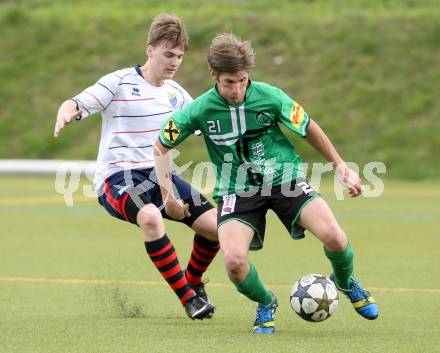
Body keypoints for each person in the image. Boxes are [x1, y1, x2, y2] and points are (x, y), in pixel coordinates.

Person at [154, 33, 379, 333]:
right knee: (234, 263)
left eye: (242, 80)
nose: (236, 90)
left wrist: (340, 166)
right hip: (237, 191)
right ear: (214, 76)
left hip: (284, 180)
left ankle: (347, 282)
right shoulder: (199, 110)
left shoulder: (271, 96)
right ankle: (265, 302)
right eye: (229, 82)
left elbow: (308, 126)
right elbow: (160, 146)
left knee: (336, 237)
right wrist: (167, 195)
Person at [53, 14, 219, 320]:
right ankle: (189, 299)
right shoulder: (118, 82)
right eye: (168, 54)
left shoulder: (177, 95)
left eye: (180, 56)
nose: (174, 62)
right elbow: (76, 102)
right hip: (118, 178)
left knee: (217, 229)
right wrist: (67, 113)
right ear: (150, 49)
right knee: (152, 217)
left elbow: (210, 126)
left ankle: (194, 282)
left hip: (160, 174)